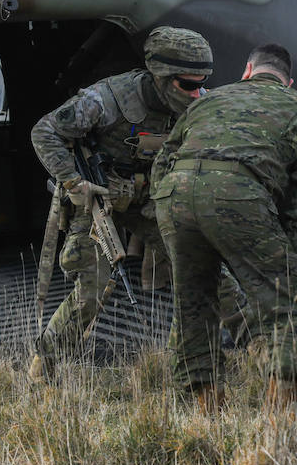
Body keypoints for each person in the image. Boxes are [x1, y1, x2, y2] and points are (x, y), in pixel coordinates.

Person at [150, 43, 297, 413]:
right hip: (239, 193)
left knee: (193, 302)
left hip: (176, 193)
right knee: (284, 297)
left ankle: (206, 404)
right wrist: (284, 247)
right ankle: (284, 406)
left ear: (247, 71)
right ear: (288, 82)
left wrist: (166, 202)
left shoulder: (205, 102)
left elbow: (163, 159)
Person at [28, 26, 213, 379]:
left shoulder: (201, 102)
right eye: (188, 85)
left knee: (202, 265)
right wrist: (74, 183)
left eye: (202, 83)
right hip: (99, 200)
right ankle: (45, 362)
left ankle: (224, 356)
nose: (197, 92)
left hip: (148, 201)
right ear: (161, 76)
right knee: (93, 288)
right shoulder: (107, 99)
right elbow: (45, 131)